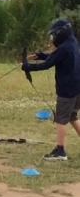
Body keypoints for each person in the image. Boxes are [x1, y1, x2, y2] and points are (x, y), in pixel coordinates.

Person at [22, 18, 80, 160]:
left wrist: (28, 67)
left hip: (67, 90)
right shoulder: (73, 43)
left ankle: (60, 151)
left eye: (54, 35)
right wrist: (41, 55)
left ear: (61, 33)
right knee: (72, 116)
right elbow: (55, 58)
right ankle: (60, 150)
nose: (53, 38)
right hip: (77, 88)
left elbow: (47, 64)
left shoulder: (64, 48)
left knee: (61, 119)